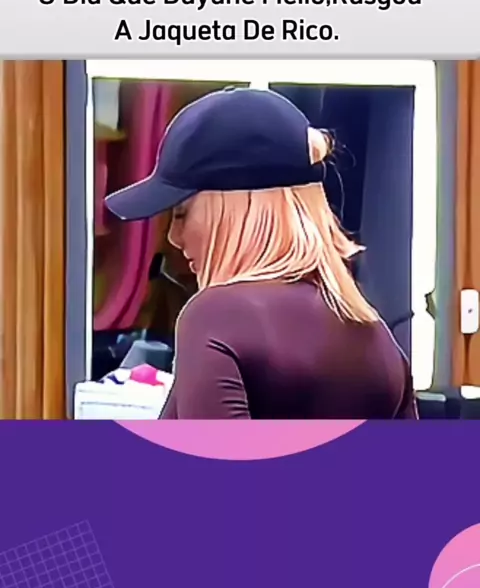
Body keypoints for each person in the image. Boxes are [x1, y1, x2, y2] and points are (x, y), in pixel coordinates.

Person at [106, 88, 418, 420]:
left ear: (232, 211)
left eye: (182, 213)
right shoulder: (379, 339)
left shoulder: (216, 317)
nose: (174, 237)